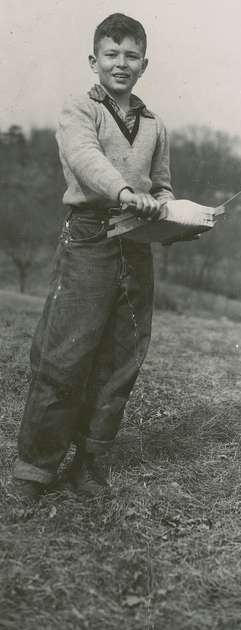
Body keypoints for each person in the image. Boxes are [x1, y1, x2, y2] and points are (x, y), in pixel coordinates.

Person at [11, 12, 175, 502]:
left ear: (145, 64)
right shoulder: (79, 109)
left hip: (137, 244)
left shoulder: (154, 123)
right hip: (89, 238)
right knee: (65, 354)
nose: (121, 63)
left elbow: (162, 185)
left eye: (131, 56)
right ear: (94, 60)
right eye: (112, 54)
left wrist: (175, 218)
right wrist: (125, 192)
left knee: (122, 356)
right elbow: (86, 159)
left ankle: (90, 462)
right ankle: (34, 469)